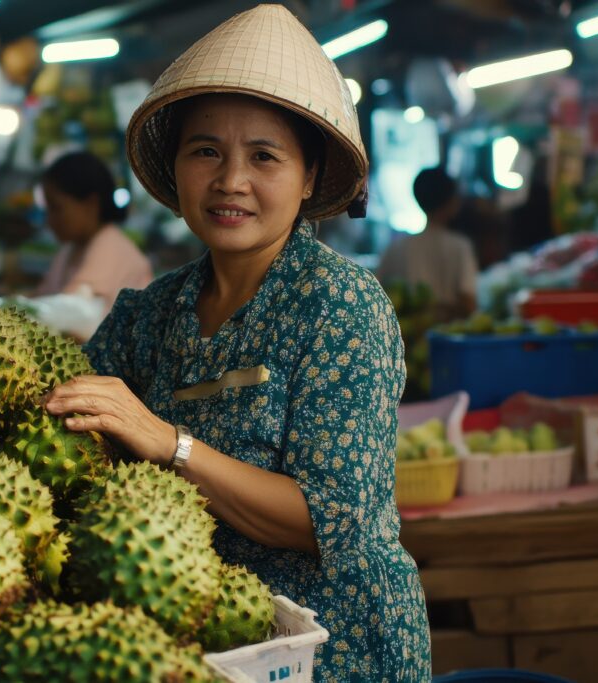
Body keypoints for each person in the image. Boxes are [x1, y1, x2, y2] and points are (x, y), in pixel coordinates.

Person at [42, 6, 430, 681]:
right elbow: (68, 436)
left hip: (334, 648)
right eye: (206, 151)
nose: (230, 181)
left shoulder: (340, 307)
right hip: (199, 641)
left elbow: (326, 516)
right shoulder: (148, 314)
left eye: (264, 156)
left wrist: (170, 442)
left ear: (308, 178)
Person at [34, 150, 154, 317]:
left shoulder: (111, 249)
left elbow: (69, 313)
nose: (49, 220)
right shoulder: (72, 248)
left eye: (56, 208)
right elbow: (44, 298)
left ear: (91, 204)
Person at [376, 166, 479, 321]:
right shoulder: (459, 246)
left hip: (405, 339)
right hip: (446, 339)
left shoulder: (395, 248)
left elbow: (378, 298)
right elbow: (468, 303)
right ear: (451, 201)